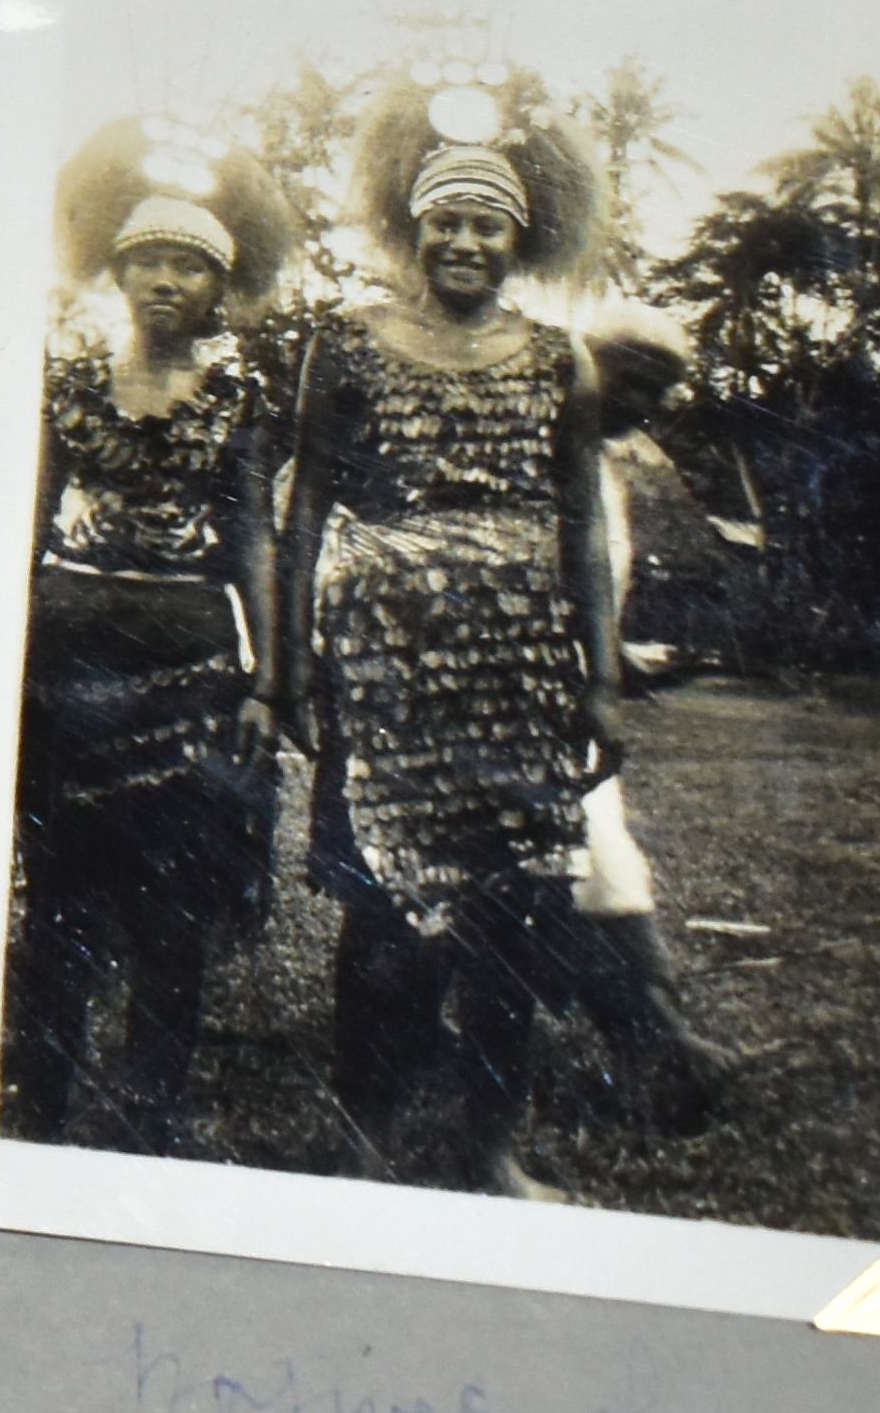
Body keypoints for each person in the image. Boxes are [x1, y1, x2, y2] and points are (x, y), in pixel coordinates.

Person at [267, 88, 635, 1197]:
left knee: (513, 925)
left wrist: (602, 680)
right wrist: (288, 666)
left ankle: (490, 1149)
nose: (466, 241)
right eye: (448, 220)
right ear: (415, 228)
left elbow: (583, 528)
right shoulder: (345, 347)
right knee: (380, 924)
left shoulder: (559, 359)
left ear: (518, 238)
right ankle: (363, 1144)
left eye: (489, 223)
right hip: (383, 684)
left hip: (520, 679)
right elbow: (304, 517)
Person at [4, 128, 289, 1154]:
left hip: (192, 667)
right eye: (149, 259)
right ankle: (36, 1109)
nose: (166, 280)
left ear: (219, 285)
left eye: (190, 265)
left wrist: (269, 683)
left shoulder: (240, 396)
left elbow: (255, 531)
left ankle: (152, 1115)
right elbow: (31, 517)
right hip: (67, 666)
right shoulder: (68, 380)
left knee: (174, 911)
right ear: (118, 271)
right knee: (61, 902)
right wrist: (9, 649)